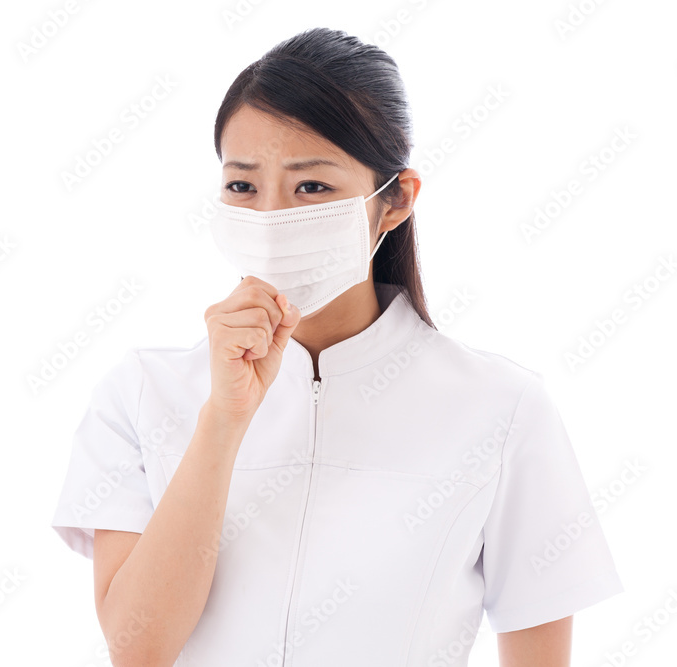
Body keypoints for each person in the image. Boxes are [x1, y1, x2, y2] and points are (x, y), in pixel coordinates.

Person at [50, 27, 623, 667]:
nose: (271, 217)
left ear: (395, 202)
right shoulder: (140, 393)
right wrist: (224, 419)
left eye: (312, 187)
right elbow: (139, 649)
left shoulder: (502, 407)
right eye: (243, 186)